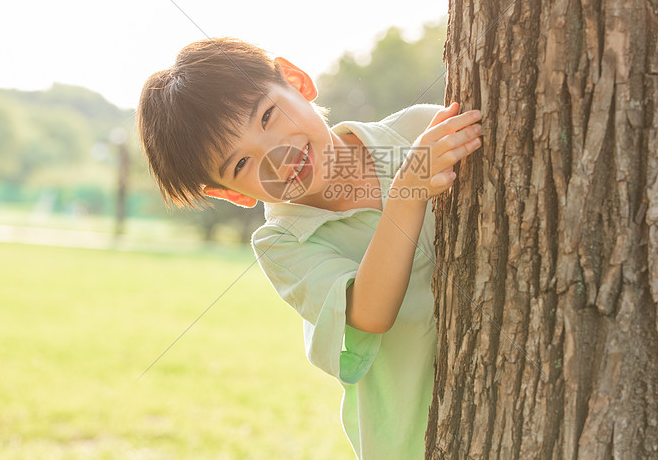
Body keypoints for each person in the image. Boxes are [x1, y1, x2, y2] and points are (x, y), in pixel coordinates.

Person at [136, 37, 482, 458]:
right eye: (241, 164)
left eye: (268, 115)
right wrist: (408, 190)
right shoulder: (282, 243)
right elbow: (371, 312)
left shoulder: (417, 132)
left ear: (297, 82)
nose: (277, 155)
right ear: (234, 195)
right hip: (416, 442)